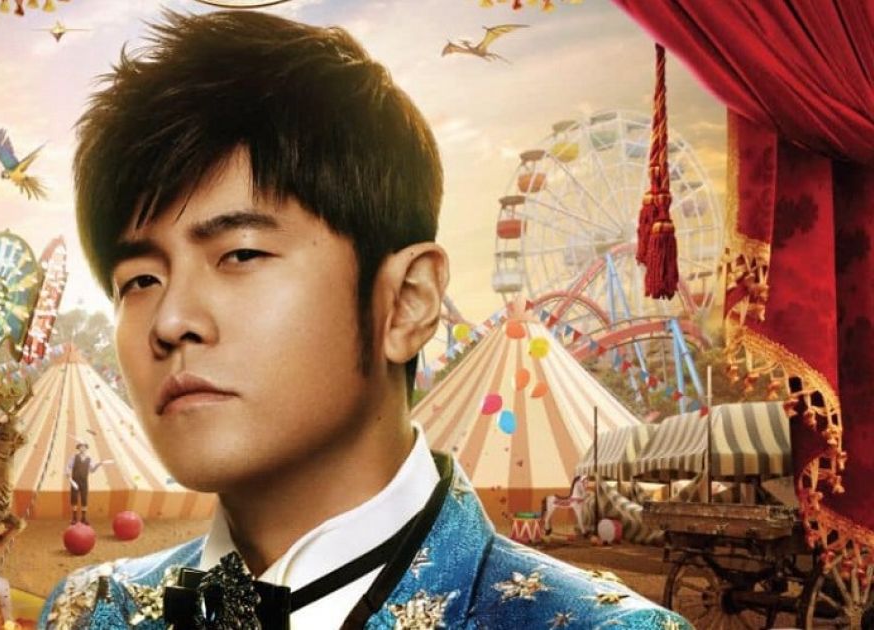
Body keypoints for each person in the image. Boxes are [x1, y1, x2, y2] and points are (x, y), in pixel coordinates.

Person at [41, 9, 691, 629]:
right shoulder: (89, 611)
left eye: (240, 254)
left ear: (408, 301)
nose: (171, 320)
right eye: (140, 280)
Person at [67, 440, 114, 524]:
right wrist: (68, 474)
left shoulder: (89, 459)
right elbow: (68, 467)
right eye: (81, 447)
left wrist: (98, 465)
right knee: (74, 499)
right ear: (78, 448)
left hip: (84, 482)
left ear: (86, 448)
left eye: (84, 447)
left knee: (84, 500)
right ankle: (74, 518)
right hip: (75, 481)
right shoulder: (74, 457)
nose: (82, 448)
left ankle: (83, 518)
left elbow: (92, 470)